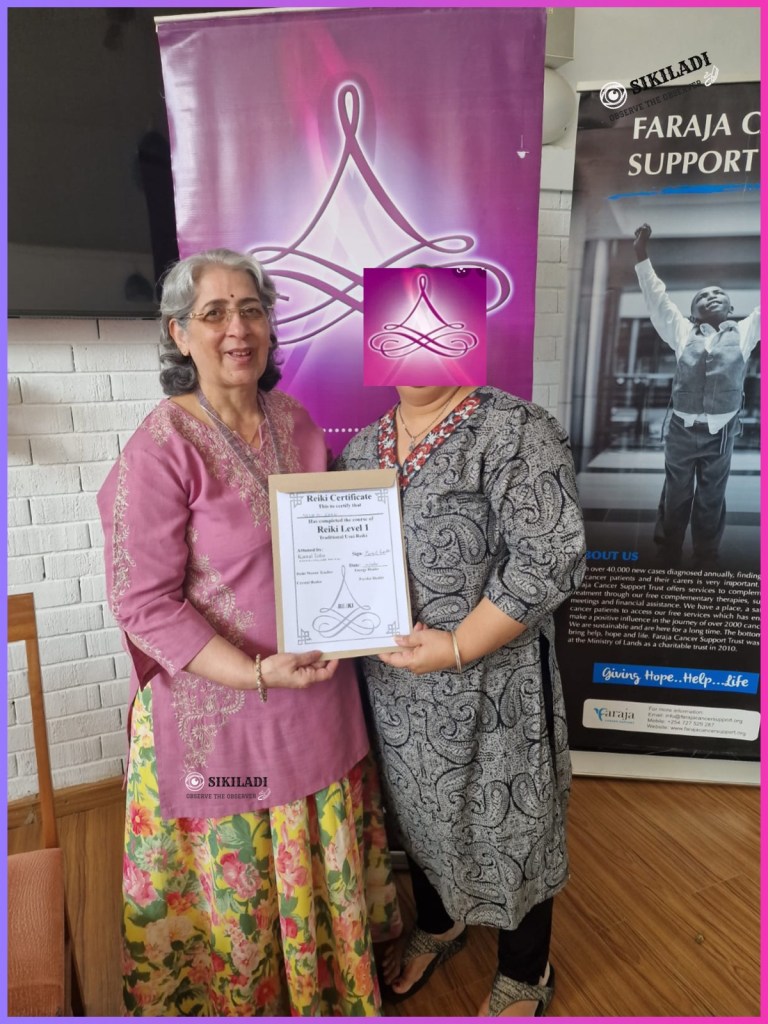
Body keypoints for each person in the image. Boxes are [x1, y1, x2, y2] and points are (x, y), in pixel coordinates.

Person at [97, 248, 401, 1016]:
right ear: (179, 333)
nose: (239, 329)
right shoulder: (159, 447)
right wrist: (255, 672)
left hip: (317, 694)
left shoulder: (295, 421)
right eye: (214, 313)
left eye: (253, 310)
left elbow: (333, 542)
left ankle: (327, 987)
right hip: (225, 709)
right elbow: (142, 602)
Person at [336, 384, 586, 1016]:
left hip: (497, 690)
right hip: (398, 690)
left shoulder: (515, 429)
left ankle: (526, 971)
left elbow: (550, 558)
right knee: (418, 812)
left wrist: (455, 646)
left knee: (512, 824)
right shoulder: (362, 449)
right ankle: (442, 923)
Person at [633, 223, 760, 567]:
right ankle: (667, 551)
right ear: (693, 313)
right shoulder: (682, 332)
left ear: (730, 308)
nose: (711, 296)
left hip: (722, 434)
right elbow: (657, 298)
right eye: (702, 296)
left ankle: (706, 554)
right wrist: (641, 253)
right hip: (682, 431)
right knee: (676, 493)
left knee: (711, 496)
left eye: (718, 293)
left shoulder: (745, 332)